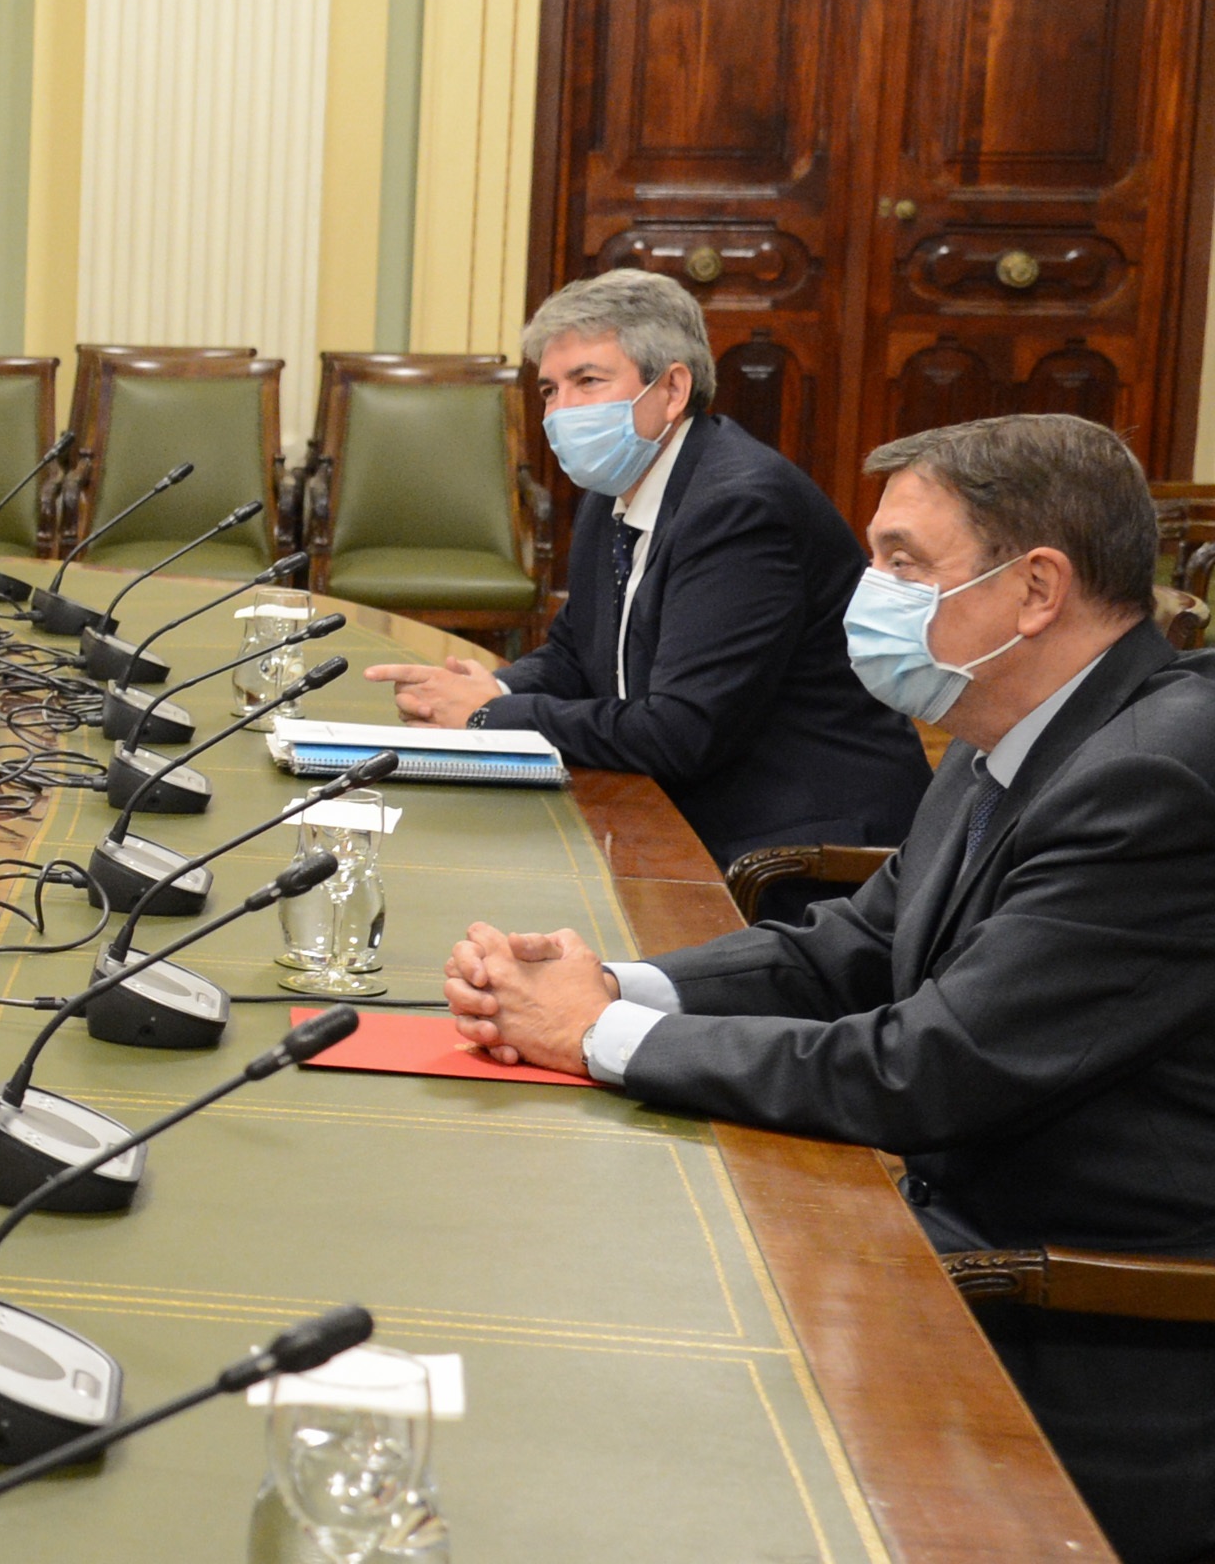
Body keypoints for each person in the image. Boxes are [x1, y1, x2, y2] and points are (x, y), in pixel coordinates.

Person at [444, 415, 1215, 1562]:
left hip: (1069, 1329)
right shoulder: (1015, 726)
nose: (871, 592)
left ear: (1036, 589)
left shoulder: (1152, 774)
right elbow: (845, 948)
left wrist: (598, 1038)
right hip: (943, 1237)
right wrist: (621, 983)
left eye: (906, 563)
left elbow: (923, 1068)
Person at [365, 271, 929, 897]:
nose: (560, 412)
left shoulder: (738, 506)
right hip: (686, 804)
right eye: (550, 390)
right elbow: (578, 652)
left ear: (673, 388)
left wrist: (491, 716)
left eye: (588, 381)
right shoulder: (617, 488)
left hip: (795, 842)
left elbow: (679, 734)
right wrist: (492, 685)